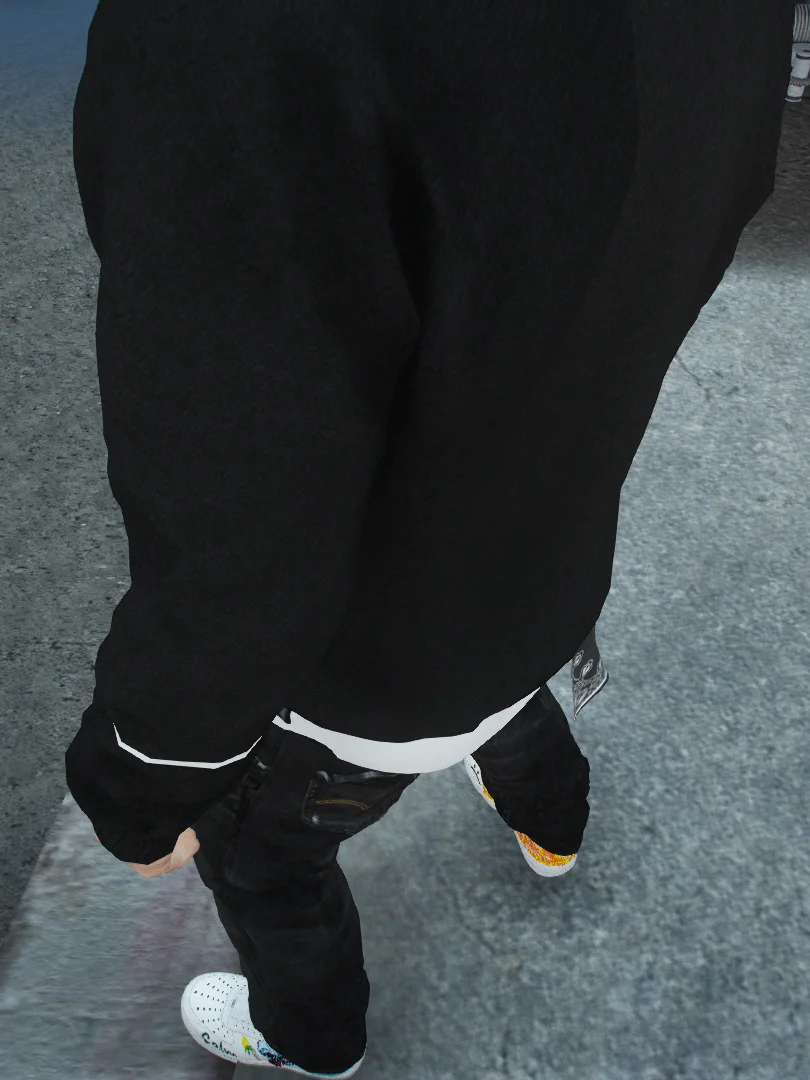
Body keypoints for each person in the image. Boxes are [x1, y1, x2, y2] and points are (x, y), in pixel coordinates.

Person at [64, 1, 796, 1074]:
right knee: (506, 702)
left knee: (266, 864)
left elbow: (240, 492)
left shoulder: (236, 34)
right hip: (546, 549)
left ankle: (309, 1035)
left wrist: (145, 776)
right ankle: (553, 827)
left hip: (357, 669)